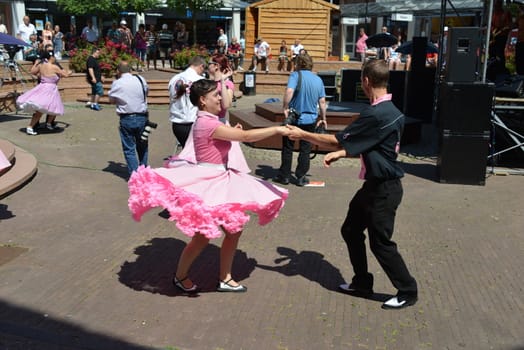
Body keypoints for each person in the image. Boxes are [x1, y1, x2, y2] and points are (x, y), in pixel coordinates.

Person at [127, 78, 290, 294]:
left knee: (231, 231)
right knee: (203, 237)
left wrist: (232, 133)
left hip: (218, 178)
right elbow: (246, 136)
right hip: (210, 181)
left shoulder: (207, 120)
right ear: (203, 100)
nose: (220, 98)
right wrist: (277, 130)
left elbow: (229, 136)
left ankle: (222, 277)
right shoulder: (209, 123)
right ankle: (184, 276)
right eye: (216, 95)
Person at [285, 59, 418, 310]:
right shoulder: (392, 111)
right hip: (374, 187)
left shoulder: (375, 114)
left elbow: (337, 140)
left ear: (365, 82)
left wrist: (302, 134)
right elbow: (374, 145)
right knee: (350, 230)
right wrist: (343, 154)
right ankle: (362, 283)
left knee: (381, 243)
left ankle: (408, 290)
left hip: (384, 189)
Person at [273, 53, 327, 187]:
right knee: (305, 148)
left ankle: (284, 176)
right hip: (311, 119)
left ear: (298, 64)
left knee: (287, 147)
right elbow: (322, 101)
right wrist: (323, 118)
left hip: (295, 117)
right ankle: (301, 177)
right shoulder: (318, 80)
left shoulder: (295, 76)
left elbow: (289, 91)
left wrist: (285, 106)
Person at [108, 61, 149, 177]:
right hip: (142, 116)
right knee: (143, 146)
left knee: (129, 148)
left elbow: (111, 100)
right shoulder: (141, 79)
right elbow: (146, 92)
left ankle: (135, 175)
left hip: (127, 117)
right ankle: (144, 171)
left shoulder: (117, 83)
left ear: (118, 71)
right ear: (130, 70)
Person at [16, 50, 72, 135]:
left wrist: (36, 63)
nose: (55, 59)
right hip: (49, 89)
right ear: (51, 57)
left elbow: (32, 72)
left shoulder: (41, 65)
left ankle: (47, 124)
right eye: (54, 57)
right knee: (44, 108)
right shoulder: (54, 67)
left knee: (52, 107)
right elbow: (66, 75)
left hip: (42, 87)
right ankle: (31, 127)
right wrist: (70, 72)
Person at [167, 55, 206, 148]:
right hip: (192, 121)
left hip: (177, 123)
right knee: (195, 154)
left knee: (187, 151)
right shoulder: (199, 80)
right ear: (201, 66)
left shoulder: (174, 78)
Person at [86, 47, 104, 111]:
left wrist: (101, 76)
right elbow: (90, 69)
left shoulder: (94, 59)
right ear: (94, 52)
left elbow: (97, 69)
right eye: (98, 53)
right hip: (95, 79)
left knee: (94, 92)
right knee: (100, 91)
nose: (99, 54)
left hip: (97, 78)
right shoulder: (91, 59)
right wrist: (93, 78)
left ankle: (93, 104)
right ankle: (95, 104)